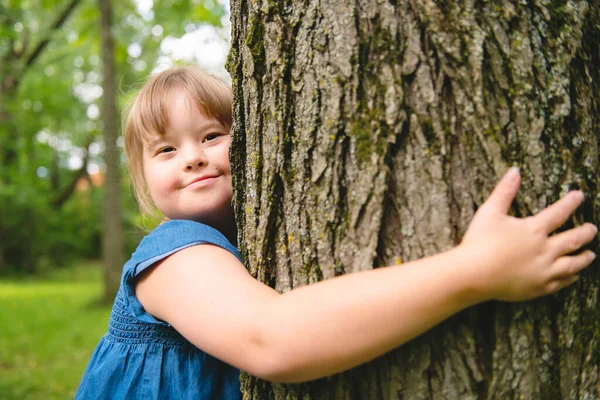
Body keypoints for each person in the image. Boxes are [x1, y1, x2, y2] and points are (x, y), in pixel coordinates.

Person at [75, 66, 597, 399]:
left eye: (213, 135)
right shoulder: (173, 254)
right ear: (141, 175)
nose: (193, 157)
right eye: (166, 149)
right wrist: (476, 269)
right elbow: (272, 339)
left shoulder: (235, 245)